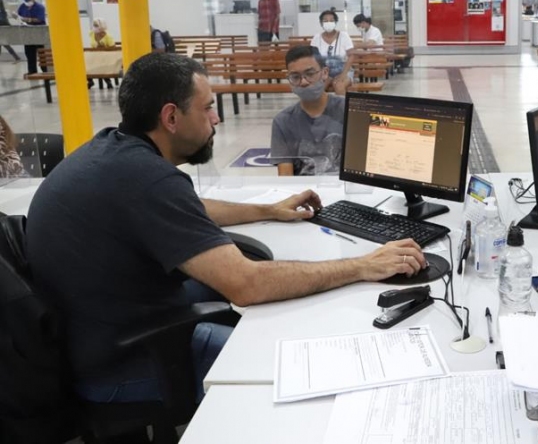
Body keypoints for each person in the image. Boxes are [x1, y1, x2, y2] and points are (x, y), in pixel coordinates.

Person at [24, 53, 426, 404]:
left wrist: (266, 209)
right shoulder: (147, 178)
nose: (217, 118)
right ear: (170, 117)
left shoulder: (112, 151)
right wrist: (361, 265)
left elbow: (188, 208)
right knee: (292, 364)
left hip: (89, 335)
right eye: (208, 108)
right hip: (123, 362)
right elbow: (246, 285)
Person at [271, 46, 345, 176]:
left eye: (310, 74)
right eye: (295, 77)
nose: (303, 82)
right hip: (304, 193)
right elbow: (285, 179)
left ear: (325, 73)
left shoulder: (347, 110)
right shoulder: (283, 121)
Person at [312, 10, 355, 95]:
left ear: (335, 22)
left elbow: (352, 55)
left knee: (339, 85)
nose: (328, 23)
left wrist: (343, 75)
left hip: (343, 71)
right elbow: (313, 58)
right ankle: (320, 108)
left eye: (331, 20)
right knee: (317, 89)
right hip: (324, 72)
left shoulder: (343, 36)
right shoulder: (317, 38)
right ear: (321, 23)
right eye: (325, 21)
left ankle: (341, 108)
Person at [14, 0, 47, 75]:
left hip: (39, 33)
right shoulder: (22, 6)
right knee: (29, 52)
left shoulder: (40, 7)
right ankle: (32, 71)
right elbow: (19, 16)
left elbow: (40, 19)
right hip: (28, 34)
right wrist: (16, 17)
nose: (26, 1)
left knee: (42, 53)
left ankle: (46, 70)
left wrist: (27, 19)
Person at [88, 19, 116, 89]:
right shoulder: (91, 34)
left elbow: (113, 48)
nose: (95, 27)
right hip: (94, 55)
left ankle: (108, 81)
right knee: (86, 62)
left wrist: (104, 47)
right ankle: (90, 80)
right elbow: (92, 45)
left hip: (106, 56)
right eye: (94, 25)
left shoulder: (108, 37)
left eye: (96, 25)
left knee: (101, 63)